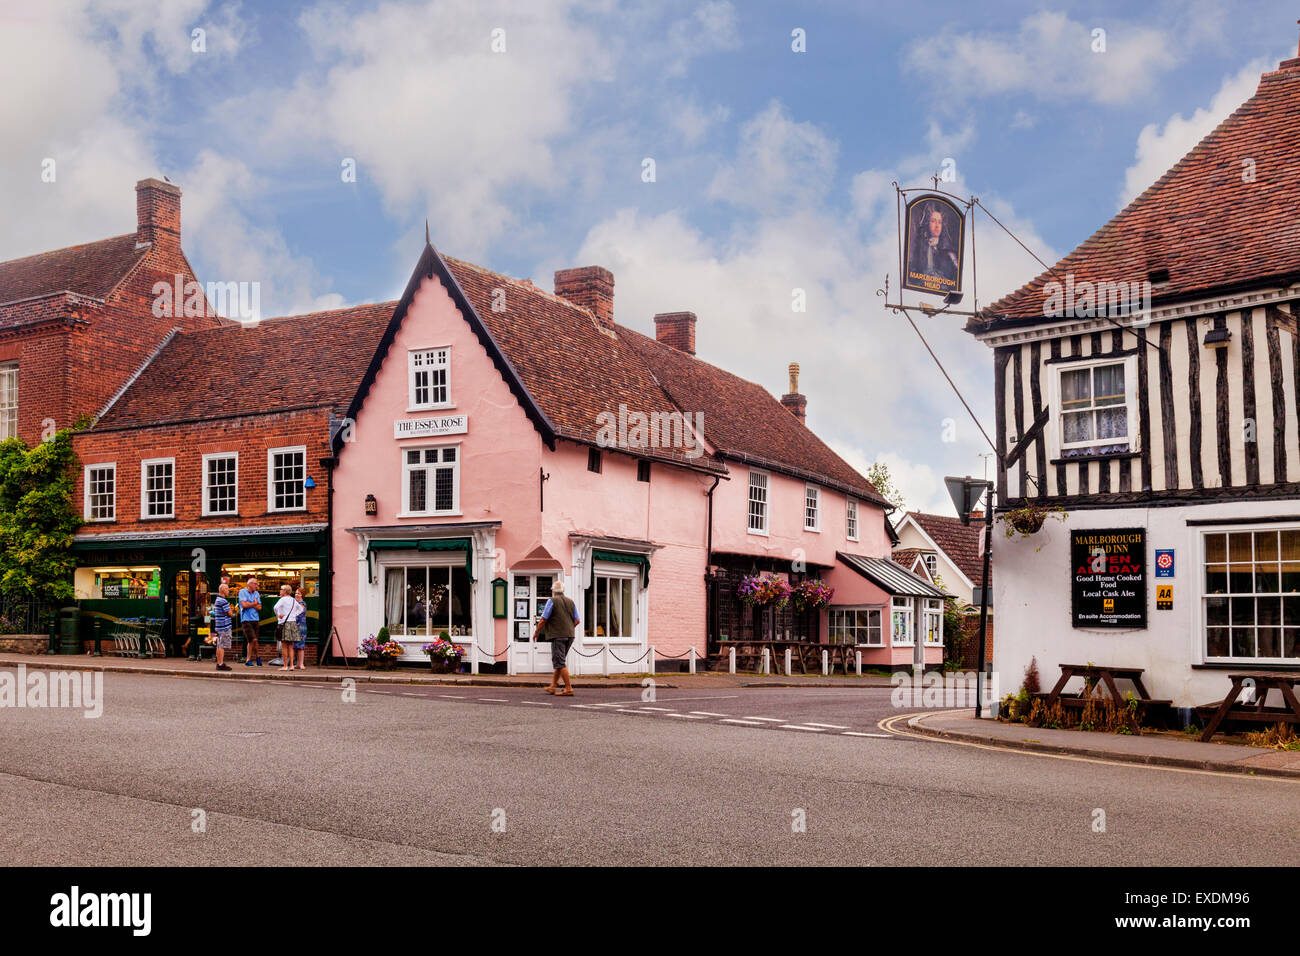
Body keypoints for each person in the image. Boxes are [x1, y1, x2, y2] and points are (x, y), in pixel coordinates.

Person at [535, 579, 580, 696]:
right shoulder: (571, 602)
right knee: (559, 661)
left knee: (560, 662)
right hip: (570, 635)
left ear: (553, 591)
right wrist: (568, 628)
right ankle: (553, 686)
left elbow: (544, 619)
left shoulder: (552, 601)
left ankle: (569, 688)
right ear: (563, 591)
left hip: (558, 636)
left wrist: (536, 632)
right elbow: (577, 620)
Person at [273, 584, 298, 672]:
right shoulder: (294, 600)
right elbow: (300, 609)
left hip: (284, 623)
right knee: (291, 646)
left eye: (281, 589)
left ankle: (285, 666)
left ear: (285, 591)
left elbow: (275, 607)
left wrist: (278, 615)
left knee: (284, 646)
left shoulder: (283, 599)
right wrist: (293, 616)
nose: (280, 591)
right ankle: (291, 665)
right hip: (292, 623)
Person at [238, 576, 263, 666]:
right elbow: (244, 605)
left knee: (254, 640)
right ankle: (249, 659)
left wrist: (250, 604)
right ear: (250, 584)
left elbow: (259, 607)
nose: (257, 585)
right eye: (255, 584)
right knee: (253, 639)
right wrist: (254, 603)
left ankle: (256, 658)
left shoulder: (256, 593)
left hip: (255, 619)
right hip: (246, 619)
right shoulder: (242, 592)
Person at [211, 582, 234, 672]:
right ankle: (220, 664)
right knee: (222, 645)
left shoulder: (217, 600)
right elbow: (230, 613)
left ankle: (219, 663)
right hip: (224, 626)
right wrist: (232, 610)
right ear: (223, 590)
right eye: (227, 589)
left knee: (219, 645)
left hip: (219, 625)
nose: (228, 591)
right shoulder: (223, 601)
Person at [292, 587, 308, 670]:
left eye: (298, 593)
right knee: (295, 646)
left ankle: (301, 664)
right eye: (295, 593)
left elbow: (298, 612)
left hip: (301, 626)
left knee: (300, 646)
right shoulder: (295, 603)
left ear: (302, 595)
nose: (296, 595)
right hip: (295, 626)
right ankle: (297, 664)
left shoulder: (302, 603)